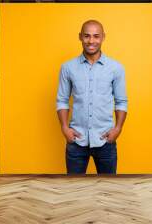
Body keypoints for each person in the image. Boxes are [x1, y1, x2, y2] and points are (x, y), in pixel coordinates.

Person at [56, 20, 128, 174]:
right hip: (76, 140)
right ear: (80, 37)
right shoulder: (67, 67)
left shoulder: (116, 68)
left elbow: (121, 101)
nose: (91, 41)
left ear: (103, 37)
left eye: (96, 36)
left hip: (105, 140)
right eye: (87, 36)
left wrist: (118, 129)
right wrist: (64, 128)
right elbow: (62, 100)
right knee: (74, 190)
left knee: (108, 191)